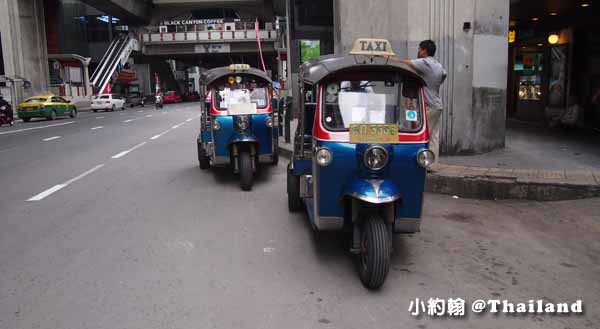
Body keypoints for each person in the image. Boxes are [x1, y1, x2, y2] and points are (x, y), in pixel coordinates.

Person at [396, 40, 447, 161]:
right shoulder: (437, 65)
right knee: (434, 135)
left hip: (429, 105)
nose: (418, 51)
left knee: (422, 134)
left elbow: (405, 63)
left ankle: (421, 161)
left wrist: (386, 58)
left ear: (424, 51)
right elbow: (444, 74)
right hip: (437, 105)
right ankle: (432, 164)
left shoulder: (425, 63)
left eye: (419, 49)